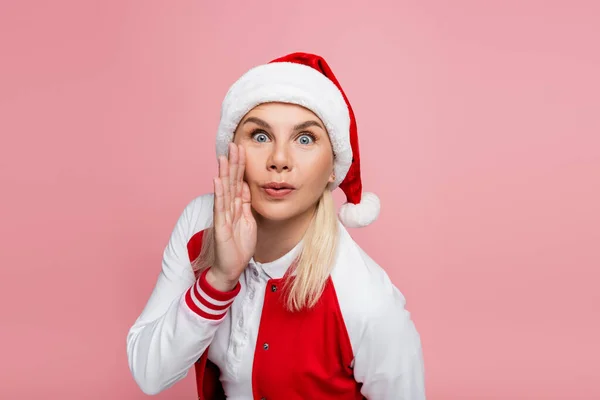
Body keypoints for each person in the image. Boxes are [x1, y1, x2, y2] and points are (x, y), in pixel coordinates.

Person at [126, 52, 426, 399]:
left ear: (334, 166)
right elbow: (149, 374)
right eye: (260, 136)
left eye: (305, 139)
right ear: (231, 148)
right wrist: (218, 281)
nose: (279, 160)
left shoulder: (366, 299)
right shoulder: (199, 223)